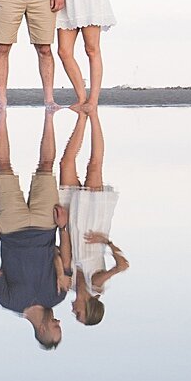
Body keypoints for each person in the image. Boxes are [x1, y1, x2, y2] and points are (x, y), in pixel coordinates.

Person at [0, 106, 71, 349]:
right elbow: (65, 261)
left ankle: (1, 113)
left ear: (42, 329)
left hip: (12, 228)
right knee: (46, 165)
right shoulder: (58, 296)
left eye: (56, 327)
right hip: (46, 226)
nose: (59, 322)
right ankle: (50, 112)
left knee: (3, 166)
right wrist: (63, 228)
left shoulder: (9, 301)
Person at [56, 108, 127, 326]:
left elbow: (60, 254)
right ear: (88, 308)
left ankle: (81, 117)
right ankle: (93, 115)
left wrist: (63, 228)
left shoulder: (69, 286)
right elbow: (123, 265)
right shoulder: (95, 285)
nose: (74, 312)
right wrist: (106, 241)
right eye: (79, 314)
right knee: (94, 167)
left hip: (72, 226)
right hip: (91, 225)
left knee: (66, 163)